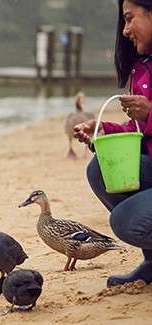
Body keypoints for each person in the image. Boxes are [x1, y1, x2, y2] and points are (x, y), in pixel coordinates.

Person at [73, 0, 152, 287]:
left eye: (130, 19)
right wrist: (103, 129)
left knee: (127, 221)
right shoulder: (143, 66)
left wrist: (150, 113)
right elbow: (141, 130)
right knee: (100, 170)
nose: (126, 30)